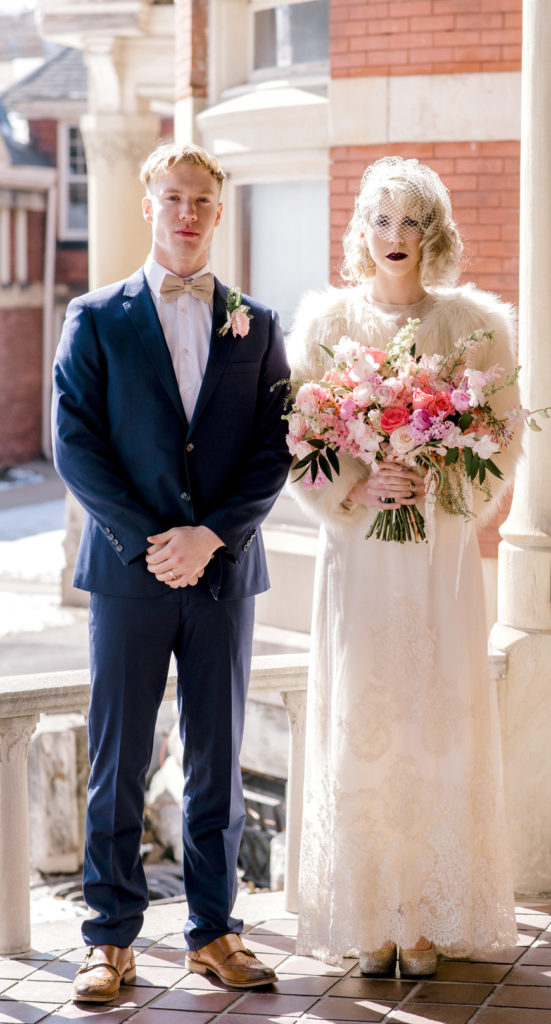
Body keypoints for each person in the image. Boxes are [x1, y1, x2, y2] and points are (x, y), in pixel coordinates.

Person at [52, 142, 291, 1003]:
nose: (187, 213)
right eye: (173, 197)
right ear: (149, 203)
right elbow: (74, 446)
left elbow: (275, 451)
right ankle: (108, 940)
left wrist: (212, 538)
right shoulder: (94, 317)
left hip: (223, 576)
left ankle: (215, 932)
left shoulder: (256, 325)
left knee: (217, 758)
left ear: (219, 212)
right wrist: (157, 539)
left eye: (202, 200)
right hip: (129, 572)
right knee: (116, 758)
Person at [286, 156, 521, 974]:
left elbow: (503, 440)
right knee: (364, 721)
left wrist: (440, 467)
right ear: (362, 233)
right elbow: (304, 449)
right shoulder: (324, 326)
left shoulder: (476, 326)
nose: (395, 237)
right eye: (381, 221)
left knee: (434, 720)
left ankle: (423, 915)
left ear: (434, 234)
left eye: (411, 221)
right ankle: (368, 915)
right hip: (359, 558)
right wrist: (362, 484)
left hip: (438, 557)